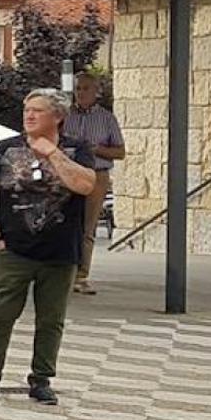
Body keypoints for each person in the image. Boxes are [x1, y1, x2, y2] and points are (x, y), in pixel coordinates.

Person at [0, 89, 99, 404]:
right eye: (27, 109)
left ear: (58, 117)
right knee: (1, 314)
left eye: (37, 111)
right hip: (13, 249)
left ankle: (41, 379)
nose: (29, 116)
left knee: (51, 319)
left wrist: (51, 154)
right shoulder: (5, 149)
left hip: (59, 252)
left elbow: (85, 184)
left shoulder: (76, 149)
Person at [63, 74, 122, 295]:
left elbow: (120, 152)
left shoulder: (107, 119)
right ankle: (62, 271)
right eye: (78, 88)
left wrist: (95, 149)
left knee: (88, 227)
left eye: (86, 88)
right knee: (66, 223)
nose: (81, 92)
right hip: (67, 173)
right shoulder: (65, 116)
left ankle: (81, 275)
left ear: (96, 91)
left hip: (96, 175)